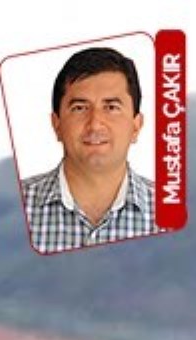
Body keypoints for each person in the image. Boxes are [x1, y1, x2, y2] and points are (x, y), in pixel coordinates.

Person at [21, 47, 158, 253]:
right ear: (56, 125)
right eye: (80, 108)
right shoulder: (14, 207)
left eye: (111, 107)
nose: (94, 124)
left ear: (136, 126)